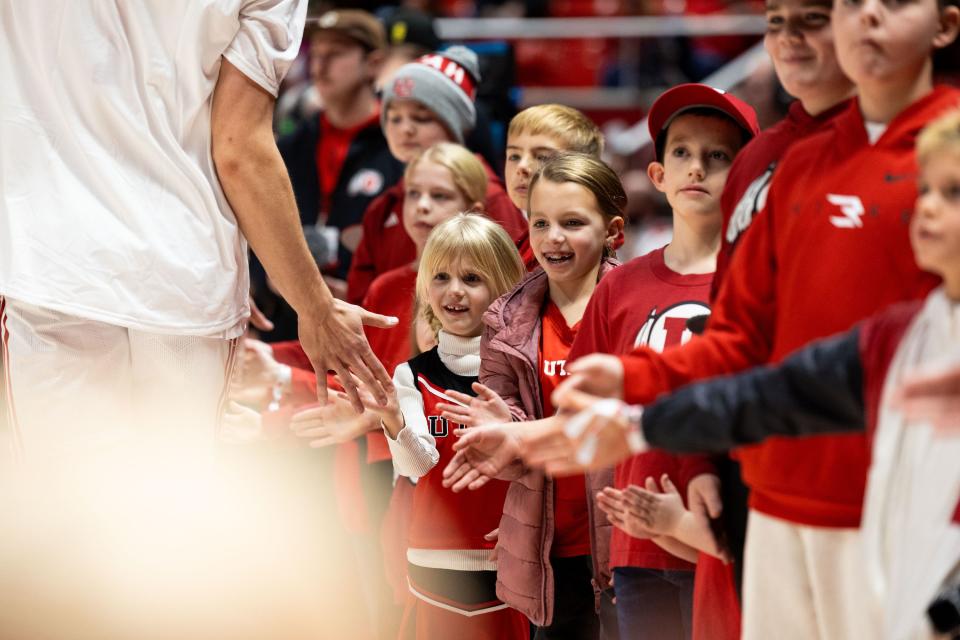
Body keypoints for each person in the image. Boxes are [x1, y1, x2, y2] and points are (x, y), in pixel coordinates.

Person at [513, 0, 960, 636]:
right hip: (771, 488)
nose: (865, 21)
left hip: (899, 499)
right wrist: (642, 397)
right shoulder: (790, 164)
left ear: (945, 23)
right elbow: (741, 339)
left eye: (812, 16)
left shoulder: (943, 152)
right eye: (778, 21)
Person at [583, 107, 960, 640]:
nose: (924, 211)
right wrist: (636, 423)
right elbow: (771, 392)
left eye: (953, 194)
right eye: (924, 191)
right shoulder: (897, 334)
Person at [0, 0, 396, 461]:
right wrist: (315, 306)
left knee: (65, 508)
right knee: (173, 512)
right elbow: (239, 150)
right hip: (185, 269)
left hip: (54, 261)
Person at [449, 84, 759, 640]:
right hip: (633, 540)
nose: (696, 169)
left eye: (718, 156)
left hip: (723, 536)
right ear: (658, 174)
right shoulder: (626, 289)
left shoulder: (760, 281)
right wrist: (518, 438)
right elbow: (584, 414)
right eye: (682, 153)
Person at [443, 153, 624, 638]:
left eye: (572, 222)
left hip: (625, 539)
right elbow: (510, 448)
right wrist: (497, 435)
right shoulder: (506, 318)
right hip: (549, 549)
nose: (553, 237)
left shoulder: (635, 306)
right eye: (540, 222)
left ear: (614, 231)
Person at [353, 214, 528, 639]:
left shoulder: (524, 368)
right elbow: (418, 464)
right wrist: (392, 418)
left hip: (513, 558)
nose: (454, 290)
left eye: (471, 278)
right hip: (434, 559)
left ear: (504, 285)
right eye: (441, 276)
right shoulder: (410, 375)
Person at [254, 9, 405, 339]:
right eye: (317, 53)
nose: (319, 65)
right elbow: (257, 220)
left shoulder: (400, 143)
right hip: (288, 322)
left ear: (374, 64)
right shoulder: (292, 144)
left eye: (335, 53)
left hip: (373, 322)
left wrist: (360, 289)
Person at [345, 46, 527, 305]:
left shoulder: (490, 197)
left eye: (421, 118)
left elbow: (518, 298)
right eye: (394, 119)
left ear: (455, 125)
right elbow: (361, 306)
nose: (405, 129)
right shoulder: (384, 207)